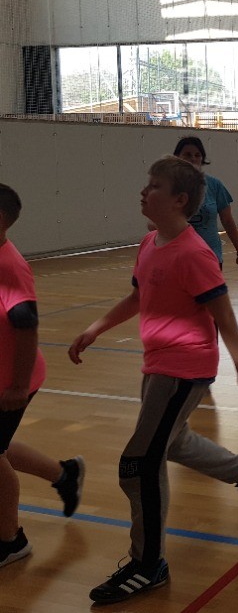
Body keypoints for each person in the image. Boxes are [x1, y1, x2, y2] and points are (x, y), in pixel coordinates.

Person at [68, 156, 238, 605]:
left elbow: (224, 315)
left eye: (154, 186)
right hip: (157, 363)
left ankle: (148, 564)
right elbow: (139, 296)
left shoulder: (195, 254)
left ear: (179, 200)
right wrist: (97, 328)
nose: (144, 191)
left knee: (139, 463)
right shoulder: (149, 242)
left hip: (184, 368)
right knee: (172, 442)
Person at [0, 184, 85, 570]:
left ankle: (10, 541)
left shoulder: (9, 267)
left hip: (12, 382)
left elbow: (26, 325)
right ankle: (64, 475)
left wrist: (18, 386)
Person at [174, 137, 238, 269]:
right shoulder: (167, 186)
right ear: (177, 157)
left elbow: (227, 220)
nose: (193, 159)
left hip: (210, 257)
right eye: (187, 155)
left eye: (197, 155)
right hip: (178, 259)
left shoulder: (214, 185)